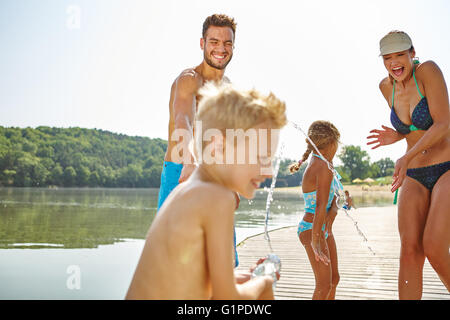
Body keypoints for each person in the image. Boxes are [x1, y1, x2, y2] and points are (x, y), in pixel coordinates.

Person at [126, 83, 287, 299]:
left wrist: (245, 278)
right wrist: (264, 283)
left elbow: (197, 283)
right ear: (218, 147)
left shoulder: (187, 191)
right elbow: (227, 300)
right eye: (262, 157)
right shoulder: (217, 197)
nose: (268, 171)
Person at [367, 30, 450, 299]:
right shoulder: (385, 88)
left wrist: (405, 156)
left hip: (446, 167)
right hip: (414, 173)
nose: (394, 63)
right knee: (410, 250)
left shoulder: (427, 71)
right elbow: (414, 127)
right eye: (387, 58)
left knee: (435, 246)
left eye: (400, 55)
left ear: (412, 54)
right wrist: (399, 135)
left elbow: (443, 123)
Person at [156, 14, 240, 267]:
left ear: (233, 47)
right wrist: (189, 160)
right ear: (202, 43)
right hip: (181, 175)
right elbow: (183, 119)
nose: (221, 49)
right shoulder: (189, 79)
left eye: (227, 43)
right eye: (214, 41)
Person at [289, 121, 342, 300]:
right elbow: (320, 206)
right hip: (312, 229)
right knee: (323, 286)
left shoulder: (323, 161)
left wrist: (333, 213)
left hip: (322, 228)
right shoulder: (322, 167)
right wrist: (316, 241)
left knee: (334, 279)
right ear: (326, 147)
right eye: (336, 146)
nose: (337, 150)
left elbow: (334, 199)